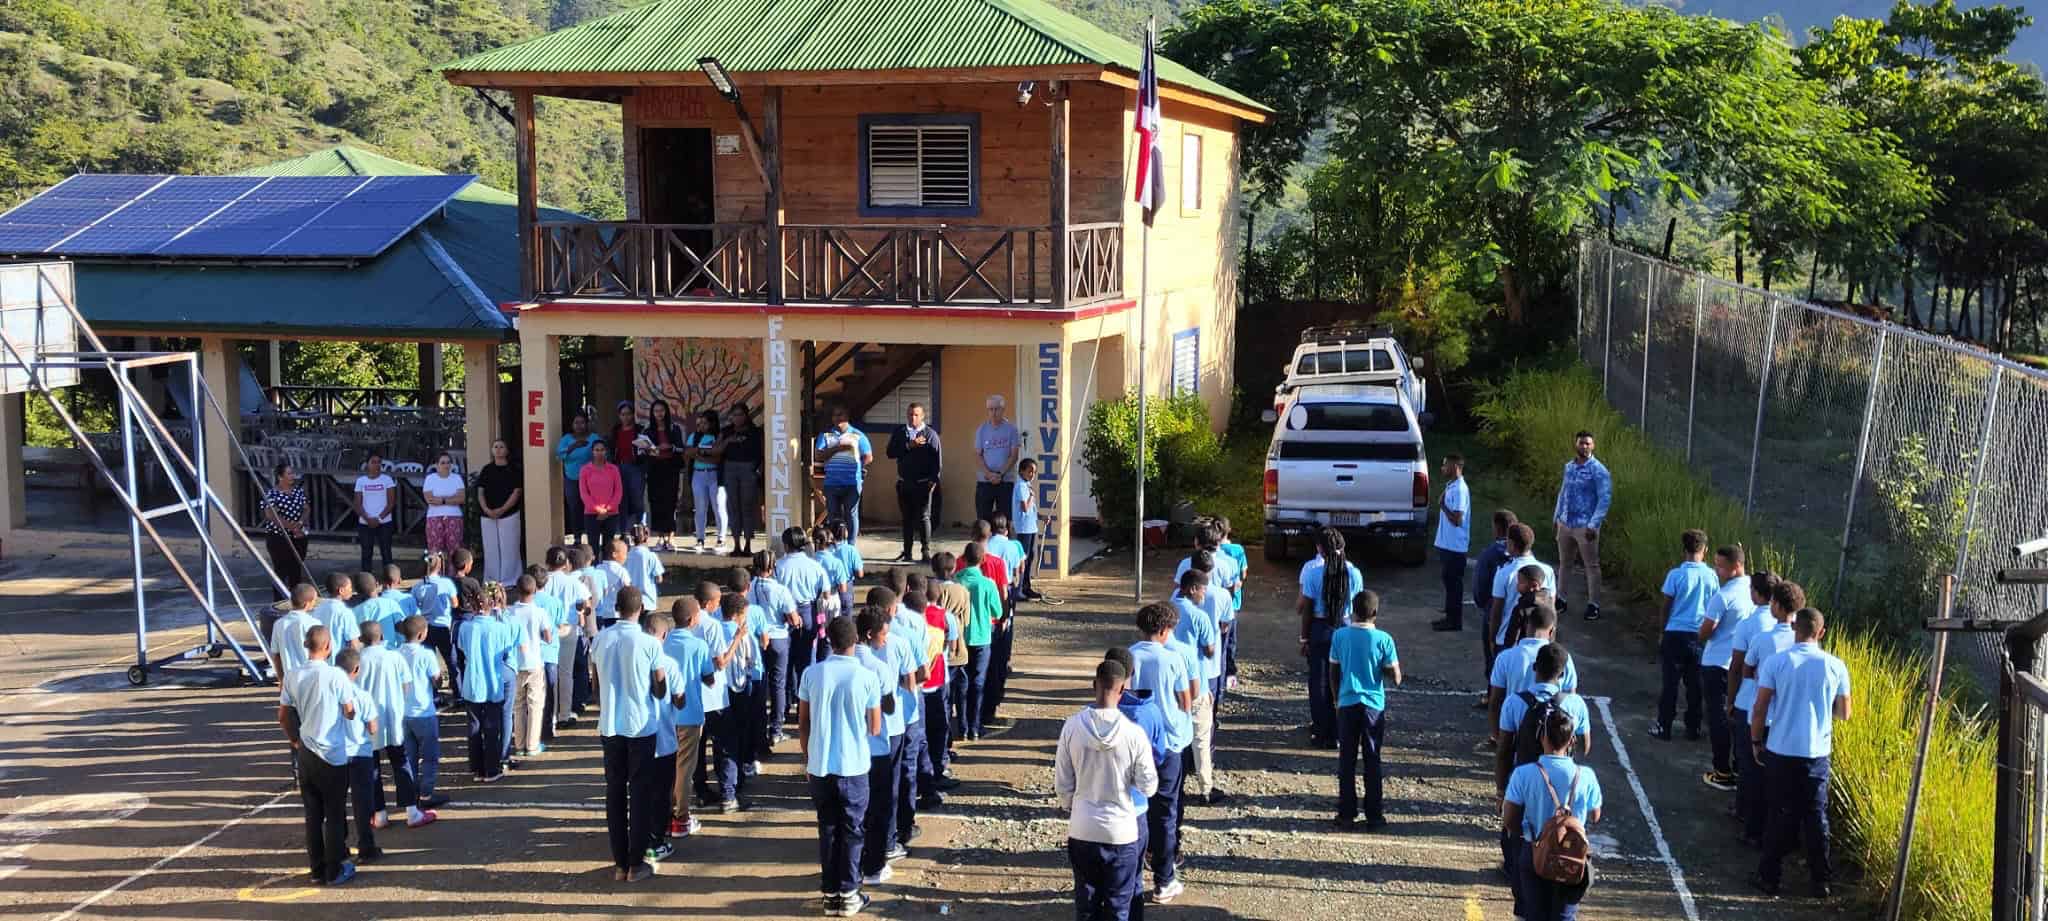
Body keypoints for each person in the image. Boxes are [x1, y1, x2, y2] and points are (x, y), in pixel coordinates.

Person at [1750, 607, 1852, 899]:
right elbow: (1844, 713)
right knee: (1816, 816)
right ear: (1821, 632)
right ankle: (1821, 880)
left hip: (1780, 749)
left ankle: (1769, 876)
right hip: (1816, 752)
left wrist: (1756, 741)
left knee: (1778, 813)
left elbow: (1760, 707)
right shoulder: (1835, 666)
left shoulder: (1777, 662)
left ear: (1795, 627)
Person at [1057, 658, 1160, 921]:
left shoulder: (1072, 727)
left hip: (1083, 828)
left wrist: (1072, 805)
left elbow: (1063, 782)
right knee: (1118, 908)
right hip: (1121, 832)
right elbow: (1149, 786)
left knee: (1086, 906)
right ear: (1123, 689)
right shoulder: (1134, 734)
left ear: (1094, 685)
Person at [800, 615, 885, 917]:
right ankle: (849, 892)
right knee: (853, 830)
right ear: (856, 641)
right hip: (854, 765)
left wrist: (808, 758)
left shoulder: (812, 673)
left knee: (827, 828)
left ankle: (830, 893)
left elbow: (803, 723)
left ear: (829, 641)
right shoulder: (866, 677)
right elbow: (875, 727)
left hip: (820, 765)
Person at [1502, 708, 1604, 921]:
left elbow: (1509, 820)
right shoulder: (1586, 776)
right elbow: (1595, 816)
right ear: (1572, 740)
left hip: (1535, 852)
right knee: (1564, 916)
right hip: (1572, 855)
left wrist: (1527, 832)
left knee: (1534, 914)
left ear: (1542, 737)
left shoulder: (1523, 774)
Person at [593, 586, 665, 883]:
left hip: (610, 725)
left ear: (616, 608)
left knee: (614, 793)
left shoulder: (600, 638)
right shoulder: (649, 643)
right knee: (640, 793)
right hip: (640, 726)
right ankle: (636, 864)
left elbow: (596, 686)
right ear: (641, 609)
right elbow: (660, 687)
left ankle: (620, 864)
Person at [279, 625, 358, 886]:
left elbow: (283, 714)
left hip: (306, 750)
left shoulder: (293, 675)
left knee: (312, 814)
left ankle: (316, 868)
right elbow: (349, 710)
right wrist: (351, 714)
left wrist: (294, 740)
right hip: (331, 752)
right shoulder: (336, 675)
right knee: (334, 813)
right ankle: (334, 869)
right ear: (327, 646)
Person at [1127, 601, 1193, 904]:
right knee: (1166, 811)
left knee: (1135, 806)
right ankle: (1164, 880)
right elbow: (1185, 700)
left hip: (1134, 740)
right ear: (1165, 630)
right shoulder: (1173, 658)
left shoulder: (1130, 655)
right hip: (1169, 741)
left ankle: (1133, 874)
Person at [853, 607, 916, 886]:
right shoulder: (878, 669)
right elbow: (888, 707)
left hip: (851, 748)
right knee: (881, 804)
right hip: (879, 743)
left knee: (856, 809)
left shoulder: (836, 661)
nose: (886, 639)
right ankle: (875, 864)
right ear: (870, 634)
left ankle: (854, 864)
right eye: (883, 634)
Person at [1328, 590, 1400, 830]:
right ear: (1375, 613)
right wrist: (1384, 667)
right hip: (1373, 706)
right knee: (1372, 758)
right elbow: (1396, 677)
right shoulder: (1384, 639)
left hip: (1347, 703)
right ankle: (1374, 815)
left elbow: (1333, 671)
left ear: (1353, 610)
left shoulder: (1340, 636)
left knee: (1346, 759)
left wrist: (1337, 700)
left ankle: (1346, 814)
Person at [1736, 578, 1801, 846]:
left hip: (1762, 716)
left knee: (1755, 774)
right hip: (1787, 721)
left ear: (1777, 606)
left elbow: (1746, 670)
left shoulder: (1763, 639)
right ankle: (1781, 836)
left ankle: (1753, 830)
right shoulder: (1801, 639)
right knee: (1782, 783)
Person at [1495, 643, 1593, 795]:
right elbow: (1584, 747)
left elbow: (1504, 751)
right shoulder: (1576, 703)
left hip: (1524, 782)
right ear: (1562, 674)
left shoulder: (1513, 702)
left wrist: (1501, 791)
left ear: (1535, 668)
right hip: (1562, 784)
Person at [1297, 527, 1364, 748]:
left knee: (1319, 682)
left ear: (1320, 549)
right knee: (1344, 681)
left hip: (1320, 629)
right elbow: (1358, 606)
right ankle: (1341, 731)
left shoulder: (1313, 573)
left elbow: (1307, 609)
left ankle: (1322, 731)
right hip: (1346, 627)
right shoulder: (1354, 574)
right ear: (1343, 547)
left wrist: (1304, 638)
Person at [1698, 545, 1754, 791]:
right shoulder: (1752, 590)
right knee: (1738, 717)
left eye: (1721, 566)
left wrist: (1701, 634)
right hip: (1742, 665)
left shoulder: (1723, 596)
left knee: (1718, 718)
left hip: (1717, 663)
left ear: (1737, 566)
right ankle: (1741, 768)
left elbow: (1706, 630)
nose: (1717, 569)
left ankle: (1722, 771)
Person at [1653, 529, 1717, 742]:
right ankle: (1693, 727)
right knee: (1695, 685)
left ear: (1684, 549)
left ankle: (1664, 726)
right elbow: (1714, 606)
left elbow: (1666, 605)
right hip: (1699, 635)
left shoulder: (1676, 575)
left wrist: (1662, 631)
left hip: (1675, 633)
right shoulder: (1711, 576)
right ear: (1705, 550)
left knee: (1670, 683)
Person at [353, 621, 417, 832]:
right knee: (401, 761)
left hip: (367, 720)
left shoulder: (358, 660)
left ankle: (379, 813)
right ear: (381, 637)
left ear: (360, 639)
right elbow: (406, 685)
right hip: (392, 717)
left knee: (372, 767)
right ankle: (411, 810)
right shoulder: (394, 657)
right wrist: (399, 702)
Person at [662, 599, 716, 841]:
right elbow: (709, 678)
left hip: (664, 715)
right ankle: (681, 818)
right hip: (690, 714)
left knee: (666, 766)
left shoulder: (663, 642)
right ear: (693, 619)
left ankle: (664, 815)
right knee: (685, 768)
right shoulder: (699, 645)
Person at [639, 611, 690, 863]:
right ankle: (655, 842)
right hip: (664, 738)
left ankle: (639, 837)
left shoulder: (634, 659)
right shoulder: (668, 664)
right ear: (665, 635)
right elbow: (680, 700)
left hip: (637, 735)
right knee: (661, 793)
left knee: (640, 790)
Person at [1488, 601, 1580, 735]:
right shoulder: (1565, 658)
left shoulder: (1505, 658)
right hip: (1552, 735)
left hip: (1516, 733)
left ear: (1526, 625)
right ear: (1552, 631)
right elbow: (1571, 701)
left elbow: (1495, 703)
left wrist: (1498, 737)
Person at [1171, 570, 1221, 807]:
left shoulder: (1169, 608)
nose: (1204, 595)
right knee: (1200, 740)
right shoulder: (1199, 616)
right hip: (1196, 685)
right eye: (1203, 590)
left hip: (1172, 686)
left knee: (1175, 739)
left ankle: (1174, 786)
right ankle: (1206, 789)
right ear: (1192, 589)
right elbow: (1210, 650)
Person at [455, 587, 514, 783]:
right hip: (493, 682)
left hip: (472, 683)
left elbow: (462, 649)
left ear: (472, 606)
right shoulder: (500, 628)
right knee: (491, 726)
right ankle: (491, 769)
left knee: (474, 726)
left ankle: (476, 768)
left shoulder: (465, 627)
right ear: (492, 605)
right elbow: (506, 653)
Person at [1552, 431, 1612, 622]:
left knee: (1591, 565)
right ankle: (1561, 599)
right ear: (1575, 444)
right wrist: (1556, 516)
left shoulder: (1598, 470)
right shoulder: (1569, 467)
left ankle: (1593, 604)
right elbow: (1563, 492)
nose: (1584, 446)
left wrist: (1594, 524)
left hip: (1585, 526)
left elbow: (1604, 499)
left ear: (1593, 446)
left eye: (1588, 443)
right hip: (1565, 523)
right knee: (1564, 563)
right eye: (1581, 443)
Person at [334, 647, 383, 866]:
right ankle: (366, 846)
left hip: (336, 753)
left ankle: (339, 846)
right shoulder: (362, 695)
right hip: (360, 753)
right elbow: (372, 727)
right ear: (356, 669)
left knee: (336, 803)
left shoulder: (330, 695)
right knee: (362, 803)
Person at [747, 551, 801, 753]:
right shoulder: (780, 590)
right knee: (778, 684)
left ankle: (758, 730)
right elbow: (793, 619)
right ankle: (776, 729)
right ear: (773, 568)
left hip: (755, 640)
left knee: (759, 684)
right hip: (778, 639)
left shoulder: (749, 587)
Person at [395, 614, 446, 817]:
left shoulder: (396, 653)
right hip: (424, 712)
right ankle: (426, 794)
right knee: (430, 756)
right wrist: (439, 682)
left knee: (410, 757)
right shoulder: (426, 655)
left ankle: (412, 793)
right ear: (422, 634)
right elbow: (436, 680)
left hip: (403, 713)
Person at [776, 530, 834, 694]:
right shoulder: (815, 565)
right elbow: (827, 593)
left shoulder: (778, 566)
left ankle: (788, 697)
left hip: (785, 614)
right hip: (809, 611)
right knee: (807, 656)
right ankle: (806, 696)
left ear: (786, 545)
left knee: (787, 658)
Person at [956, 543, 1004, 741]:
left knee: (961, 682)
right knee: (978, 682)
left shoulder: (956, 581)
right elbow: (997, 612)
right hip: (982, 637)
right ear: (983, 560)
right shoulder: (987, 584)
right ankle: (975, 727)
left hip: (960, 639)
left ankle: (962, 726)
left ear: (963, 559)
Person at [1470, 511, 1519, 697]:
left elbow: (1480, 589)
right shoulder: (1525, 556)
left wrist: (1484, 605)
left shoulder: (1489, 555)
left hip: (1495, 613)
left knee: (1494, 658)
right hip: (1520, 617)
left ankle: (1493, 697)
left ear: (1497, 528)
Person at [887, 402, 943, 563]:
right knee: (907, 519)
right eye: (910, 414)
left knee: (924, 517)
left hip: (923, 483)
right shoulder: (900, 432)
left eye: (916, 415)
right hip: (904, 483)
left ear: (923, 416)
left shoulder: (930, 434)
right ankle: (907, 552)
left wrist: (933, 480)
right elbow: (890, 452)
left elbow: (937, 460)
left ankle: (925, 551)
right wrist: (908, 445)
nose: (913, 418)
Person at [506, 577, 554, 759]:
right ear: (534, 591)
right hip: (534, 663)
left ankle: (519, 744)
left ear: (517, 591)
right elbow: (548, 637)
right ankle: (532, 745)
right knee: (535, 704)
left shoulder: (510, 612)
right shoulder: (540, 612)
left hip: (515, 664)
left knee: (518, 705)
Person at [816, 405, 874, 541]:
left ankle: (850, 546)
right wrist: (837, 448)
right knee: (833, 516)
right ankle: (835, 543)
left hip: (852, 483)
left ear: (847, 416)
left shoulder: (858, 435)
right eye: (834, 415)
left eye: (840, 414)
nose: (837, 418)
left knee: (851, 515)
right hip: (832, 483)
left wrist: (857, 467)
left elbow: (868, 457)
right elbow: (818, 455)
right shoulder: (825, 435)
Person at [475, 439, 525, 584]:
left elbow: (517, 492)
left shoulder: (514, 469)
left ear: (507, 450)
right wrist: (486, 509)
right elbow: (480, 492)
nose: (498, 449)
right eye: (495, 447)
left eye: (501, 447)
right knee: (490, 548)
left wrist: (502, 509)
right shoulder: (486, 469)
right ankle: (492, 580)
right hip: (487, 514)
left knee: (509, 547)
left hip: (509, 513)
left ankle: (510, 580)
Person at [1431, 454, 1471, 632]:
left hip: (1455, 546)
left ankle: (1454, 621)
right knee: (1448, 581)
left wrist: (1443, 506)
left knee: (1454, 585)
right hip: (1447, 545)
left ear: (1455, 467)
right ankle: (1449, 616)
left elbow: (1457, 519)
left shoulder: (1460, 489)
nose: (1442, 468)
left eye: (1445, 465)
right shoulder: (1451, 485)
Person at [261, 463, 312, 601]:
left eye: (292, 473)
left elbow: (306, 509)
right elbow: (271, 515)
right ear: (280, 477)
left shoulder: (298, 491)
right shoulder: (272, 494)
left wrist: (299, 524)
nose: (292, 476)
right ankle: (279, 602)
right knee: (281, 570)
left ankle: (297, 600)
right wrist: (290, 527)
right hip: (279, 537)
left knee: (296, 568)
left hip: (298, 536)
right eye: (289, 473)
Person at [719, 404, 764, 557]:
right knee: (733, 507)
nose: (737, 418)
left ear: (746, 415)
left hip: (748, 469)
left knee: (747, 506)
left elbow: (763, 451)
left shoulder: (755, 431)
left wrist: (759, 470)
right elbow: (716, 449)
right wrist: (728, 441)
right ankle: (736, 544)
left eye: (740, 414)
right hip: (730, 469)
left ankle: (748, 545)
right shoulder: (726, 431)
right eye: (734, 415)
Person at [643, 399, 686, 548]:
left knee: (670, 502)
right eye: (656, 411)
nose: (659, 414)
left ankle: (670, 537)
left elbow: (681, 448)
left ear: (666, 412)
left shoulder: (674, 428)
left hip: (670, 469)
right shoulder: (648, 430)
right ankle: (661, 537)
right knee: (656, 503)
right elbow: (642, 450)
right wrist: (648, 450)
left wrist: (670, 447)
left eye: (661, 410)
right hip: (655, 470)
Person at [972, 394, 1021, 526]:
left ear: (1003, 409)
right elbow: (978, 455)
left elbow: (1014, 456)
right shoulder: (981, 430)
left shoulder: (1011, 430)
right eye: (990, 409)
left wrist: (1000, 474)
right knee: (983, 521)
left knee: (1004, 520)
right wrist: (988, 474)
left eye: (996, 409)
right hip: (985, 481)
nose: (993, 412)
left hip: (1005, 482)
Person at [685, 410, 726, 552]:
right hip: (698, 475)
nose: (701, 425)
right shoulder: (694, 436)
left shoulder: (718, 436)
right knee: (700, 508)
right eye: (700, 423)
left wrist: (699, 454)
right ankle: (700, 539)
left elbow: (717, 458)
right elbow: (688, 452)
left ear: (712, 423)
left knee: (718, 506)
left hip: (714, 475)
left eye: (705, 423)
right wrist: (706, 454)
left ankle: (721, 539)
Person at [556, 409, 598, 545]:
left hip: (591, 480)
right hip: (572, 480)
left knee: (591, 508)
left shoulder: (594, 438)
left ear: (587, 423)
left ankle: (593, 536)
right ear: (572, 425)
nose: (579, 426)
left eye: (582, 422)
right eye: (576, 423)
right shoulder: (566, 439)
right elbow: (559, 456)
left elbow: (602, 454)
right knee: (574, 508)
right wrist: (573, 447)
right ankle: (577, 537)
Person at [351, 451, 397, 573]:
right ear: (367, 464)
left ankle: (390, 578)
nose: (377, 465)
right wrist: (368, 519)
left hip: (384, 522)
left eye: (379, 462)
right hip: (365, 523)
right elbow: (357, 504)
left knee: (386, 553)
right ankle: (366, 580)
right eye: (373, 462)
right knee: (366, 553)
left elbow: (391, 502)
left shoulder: (387, 480)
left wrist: (379, 519)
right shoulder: (361, 481)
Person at [609, 400, 649, 528]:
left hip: (636, 467)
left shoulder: (640, 430)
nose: (626, 417)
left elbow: (646, 448)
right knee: (621, 499)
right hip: (619, 467)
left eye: (628, 414)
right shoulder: (615, 430)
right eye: (623, 414)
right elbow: (611, 448)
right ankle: (624, 529)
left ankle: (641, 525)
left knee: (637, 498)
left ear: (633, 415)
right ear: (619, 416)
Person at [581, 441, 625, 550]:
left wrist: (607, 509)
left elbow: (618, 491)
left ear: (606, 452)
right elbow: (584, 493)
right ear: (592, 452)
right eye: (597, 450)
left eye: (602, 450)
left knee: (609, 548)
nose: (599, 452)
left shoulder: (613, 469)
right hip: (591, 514)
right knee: (593, 548)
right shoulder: (585, 470)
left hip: (611, 514)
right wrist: (598, 509)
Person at [1011, 458, 1044, 601]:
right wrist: (1031, 496)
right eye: (1029, 471)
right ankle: (1019, 589)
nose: (1032, 474)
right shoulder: (1020, 486)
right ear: (1021, 471)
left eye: (1034, 472)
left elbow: (1032, 509)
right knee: (1023, 559)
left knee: (1030, 557)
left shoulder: (1027, 485)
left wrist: (1041, 517)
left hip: (1031, 527)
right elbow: (1025, 507)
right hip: (1023, 528)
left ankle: (1026, 586)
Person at [421, 451, 465, 557]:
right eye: (443, 463)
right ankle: (436, 568)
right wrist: (452, 499)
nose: (446, 465)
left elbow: (461, 498)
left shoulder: (457, 478)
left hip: (454, 517)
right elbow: (430, 500)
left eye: (448, 462)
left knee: (455, 550)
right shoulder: (430, 479)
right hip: (434, 517)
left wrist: (442, 500)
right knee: (435, 550)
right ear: (437, 465)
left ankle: (453, 569)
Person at [315, 572, 360, 654]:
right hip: (340, 659)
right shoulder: (345, 612)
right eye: (350, 587)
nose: (352, 590)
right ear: (341, 591)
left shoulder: (318, 609)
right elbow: (353, 644)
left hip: (321, 657)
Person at [627, 525, 666, 611]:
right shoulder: (651, 556)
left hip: (630, 600)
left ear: (632, 539)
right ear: (646, 537)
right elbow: (659, 579)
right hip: (648, 600)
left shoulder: (626, 556)